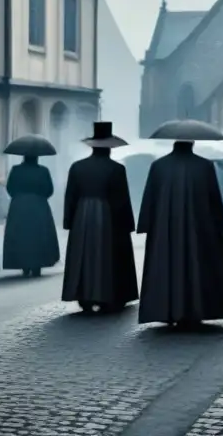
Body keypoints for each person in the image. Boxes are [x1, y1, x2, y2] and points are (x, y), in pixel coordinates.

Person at [138, 139, 223, 327]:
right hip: (199, 225)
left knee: (167, 265)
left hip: (165, 226)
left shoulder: (158, 166)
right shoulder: (204, 166)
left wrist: (145, 224)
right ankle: (194, 309)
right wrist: (219, 224)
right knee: (197, 264)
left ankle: (167, 309)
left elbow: (150, 198)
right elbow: (213, 198)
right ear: (192, 143)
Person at [61, 122, 137, 312]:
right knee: (108, 254)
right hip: (107, 215)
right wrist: (127, 224)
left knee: (83, 254)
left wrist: (69, 220)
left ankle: (84, 295)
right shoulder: (117, 169)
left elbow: (70, 196)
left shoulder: (77, 167)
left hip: (82, 215)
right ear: (110, 147)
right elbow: (122, 199)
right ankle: (107, 295)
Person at [3, 155, 60, 277]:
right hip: (39, 205)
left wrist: (19, 197)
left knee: (21, 235)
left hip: (19, 205)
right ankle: (37, 265)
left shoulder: (16, 169)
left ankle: (24, 264)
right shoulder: (43, 170)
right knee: (38, 235)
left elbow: (10, 188)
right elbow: (49, 190)